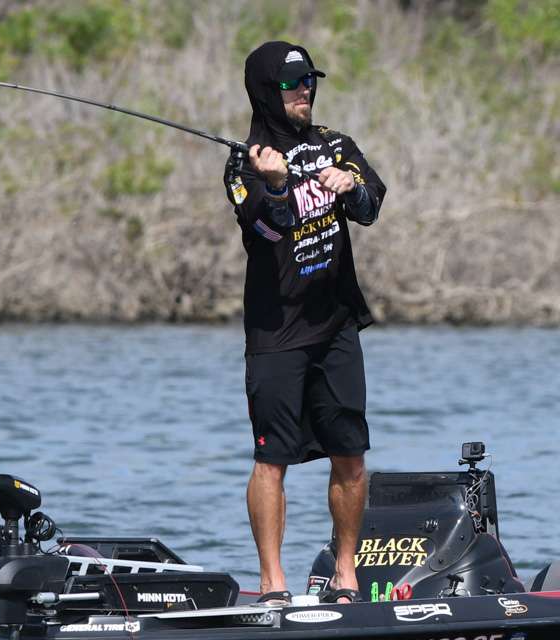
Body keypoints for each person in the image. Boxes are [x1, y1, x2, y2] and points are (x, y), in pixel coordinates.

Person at [222, 41, 387, 605]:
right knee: (271, 460)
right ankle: (274, 584)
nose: (304, 92)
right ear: (267, 92)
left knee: (351, 456)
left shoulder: (335, 145)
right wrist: (274, 185)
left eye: (309, 82)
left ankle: (346, 575)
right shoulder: (244, 164)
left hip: (336, 326)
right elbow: (265, 232)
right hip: (276, 334)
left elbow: (371, 207)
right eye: (292, 84)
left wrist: (352, 186)